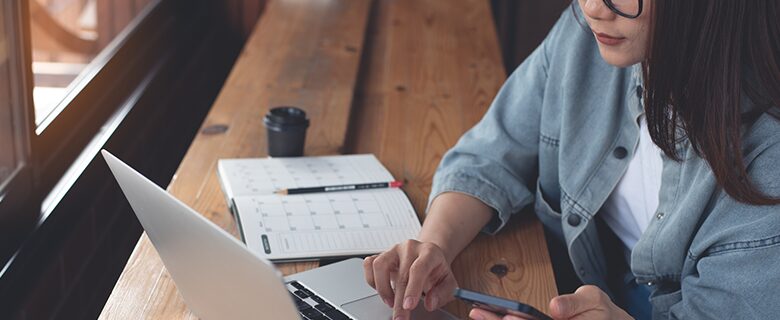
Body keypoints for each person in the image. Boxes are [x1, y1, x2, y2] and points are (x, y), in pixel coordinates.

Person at [362, 0, 780, 319]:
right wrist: (434, 246)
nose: (593, 8)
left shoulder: (767, 161)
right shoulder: (591, 34)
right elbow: (491, 150)